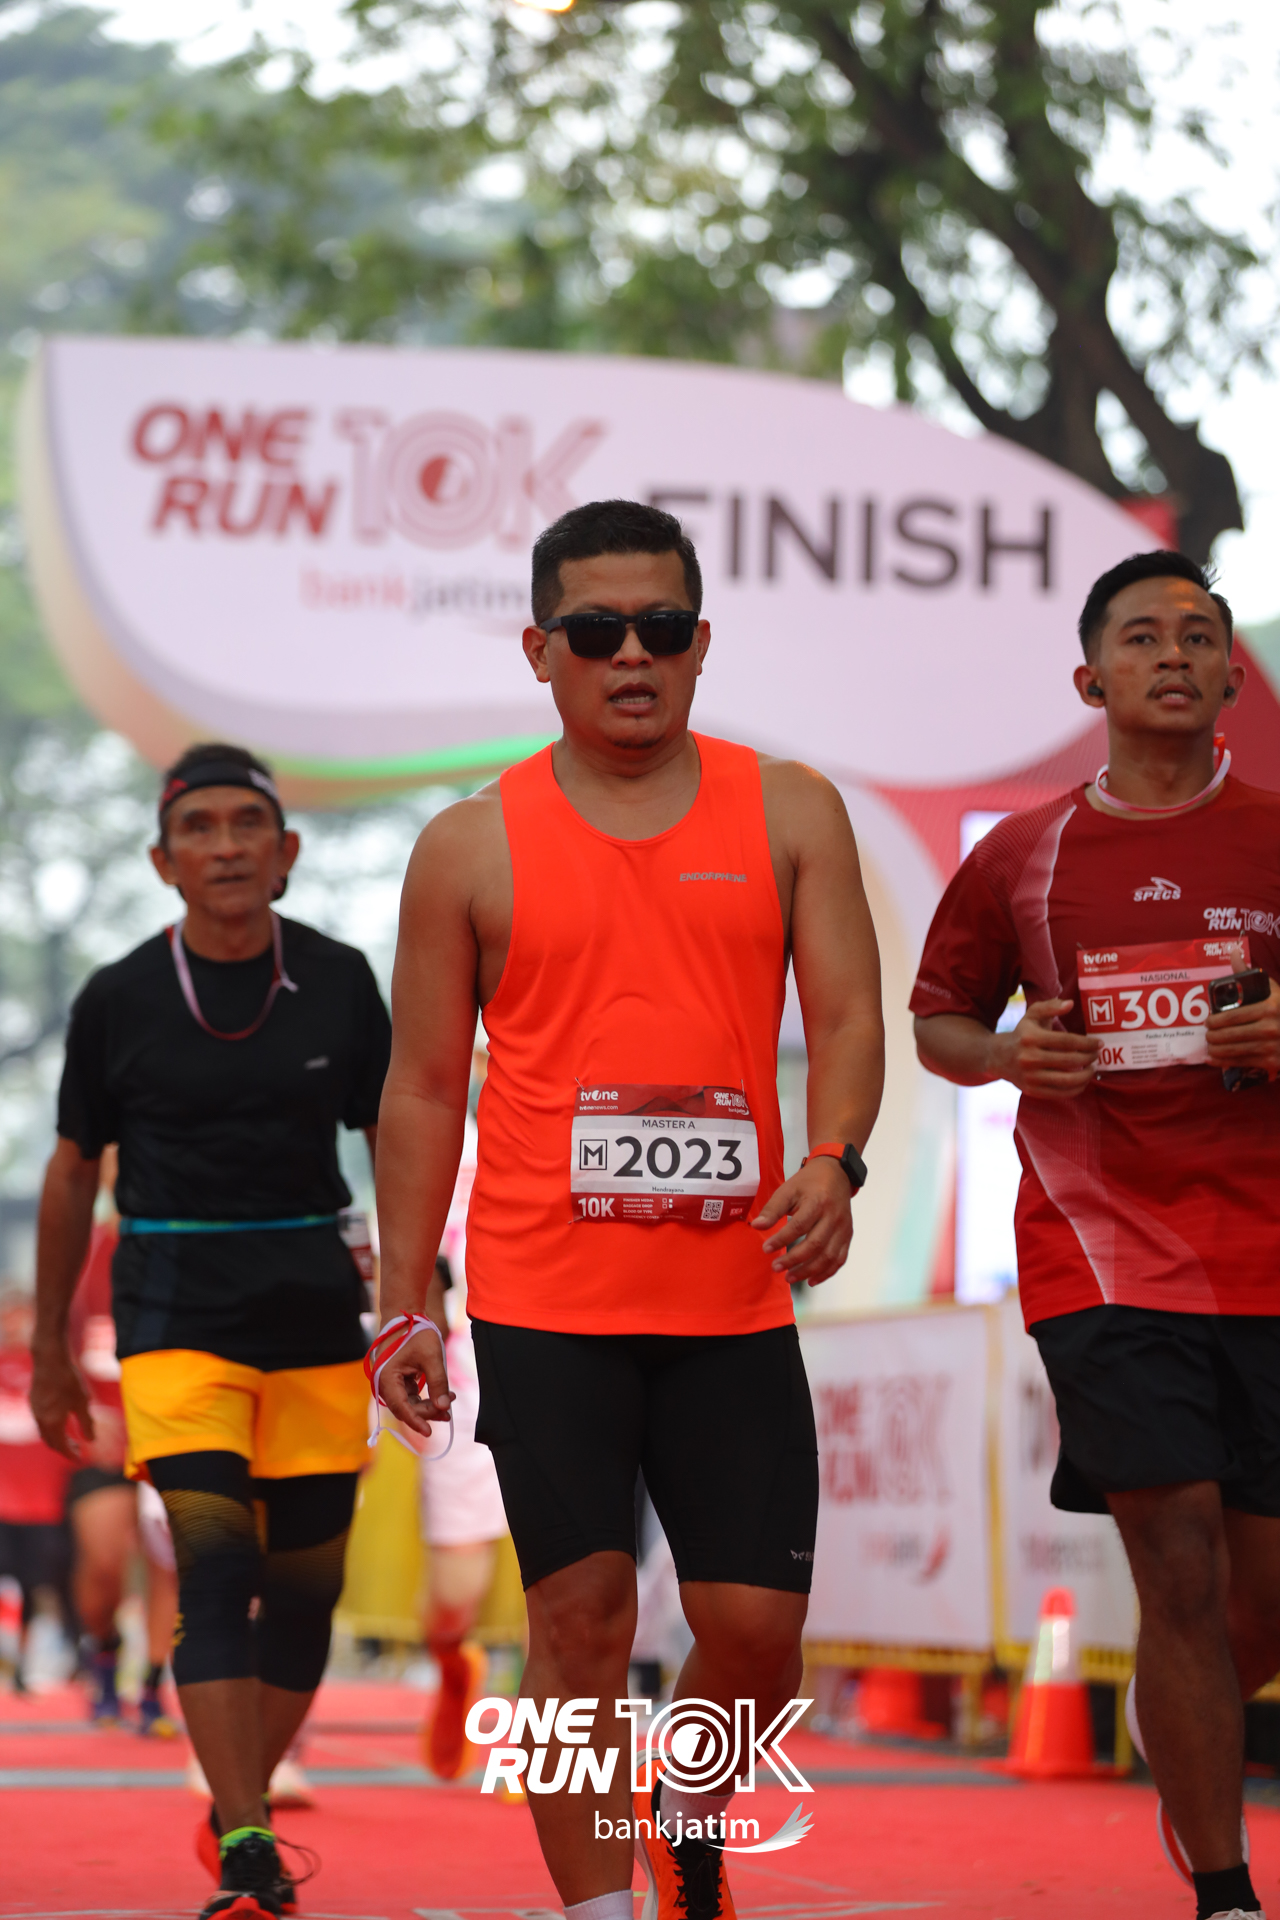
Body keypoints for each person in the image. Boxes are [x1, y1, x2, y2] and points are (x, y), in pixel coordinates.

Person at [373, 499, 884, 1920]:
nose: (631, 656)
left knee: (757, 1634)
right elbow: (422, 1089)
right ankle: (597, 1909)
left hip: (732, 1296)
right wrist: (403, 1300)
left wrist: (834, 1158)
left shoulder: (790, 808)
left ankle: (686, 1805)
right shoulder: (469, 845)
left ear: (702, 642)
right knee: (577, 1620)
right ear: (539, 650)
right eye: (596, 632)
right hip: (544, 1297)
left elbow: (849, 1017)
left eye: (660, 627)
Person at [910, 550, 1280, 1920]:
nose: (1172, 654)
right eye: (1140, 636)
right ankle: (1224, 1890)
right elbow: (939, 1021)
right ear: (1089, 679)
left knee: (1257, 1601)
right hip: (1103, 1252)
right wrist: (1008, 1054)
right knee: (1173, 1560)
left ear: (1231, 674)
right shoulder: (1023, 855)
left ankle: (1176, 1723)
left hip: (1269, 1251)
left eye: (1197, 635)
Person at [30, 743, 391, 1920]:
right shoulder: (120, 997)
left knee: (307, 1590)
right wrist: (49, 1351)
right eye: (201, 828)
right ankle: (245, 1839)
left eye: (248, 825)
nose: (226, 846)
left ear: (287, 852)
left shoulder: (338, 980)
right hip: (175, 1316)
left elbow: (396, 1134)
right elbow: (72, 1169)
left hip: (316, 1315)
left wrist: (415, 1301)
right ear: (163, 860)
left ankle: (238, 1794)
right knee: (217, 1565)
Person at [417, 1040, 513, 1780]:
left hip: (567, 1365)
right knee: (457, 1596)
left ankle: (549, 1747)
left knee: (578, 1583)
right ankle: (453, 1665)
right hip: (460, 1390)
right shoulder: (429, 1141)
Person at [65, 1167, 179, 1731]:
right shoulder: (82, 1247)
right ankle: (104, 1648)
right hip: (103, 1438)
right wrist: (85, 1410)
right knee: (103, 1562)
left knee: (168, 1565)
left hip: (169, 1426)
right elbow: (54, 1336)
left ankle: (154, 1685)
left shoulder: (180, 1240)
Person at [0, 1285, 72, 1686]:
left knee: (41, 1586)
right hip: (4, 1502)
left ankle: (31, 1661)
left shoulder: (54, 1371)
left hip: (44, 1504)